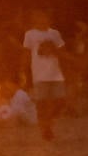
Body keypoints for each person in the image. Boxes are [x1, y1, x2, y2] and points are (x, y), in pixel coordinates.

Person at [22, 9, 68, 141]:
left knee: (60, 102)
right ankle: (46, 129)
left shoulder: (54, 34)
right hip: (39, 75)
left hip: (56, 74)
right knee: (42, 104)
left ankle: (49, 122)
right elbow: (26, 53)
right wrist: (23, 71)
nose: (42, 19)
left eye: (44, 16)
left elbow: (62, 51)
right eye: (38, 16)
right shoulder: (30, 34)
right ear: (34, 19)